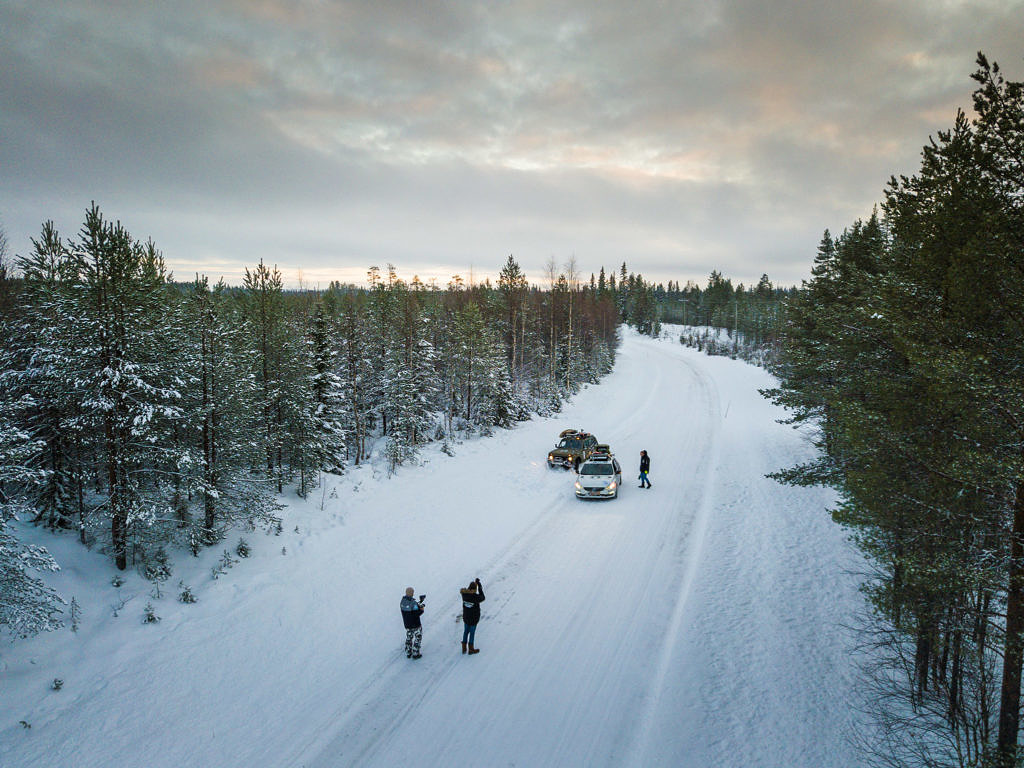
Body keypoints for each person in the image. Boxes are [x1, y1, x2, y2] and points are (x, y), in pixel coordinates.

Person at [460, 578, 485, 655]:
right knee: (472, 633)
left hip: (466, 617)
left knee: (466, 631)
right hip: (473, 619)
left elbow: (469, 591)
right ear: (475, 589)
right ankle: (471, 649)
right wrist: (479, 586)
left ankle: (464, 647)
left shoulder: (464, 595)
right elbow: (483, 597)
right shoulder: (475, 597)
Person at [400, 587, 425, 659]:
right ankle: (415, 653)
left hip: (407, 624)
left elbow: (409, 610)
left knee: (409, 637)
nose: (413, 594)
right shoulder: (413, 603)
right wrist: (422, 609)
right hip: (415, 624)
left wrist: (417, 605)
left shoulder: (402, 602)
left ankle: (408, 651)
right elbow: (416, 613)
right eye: (412, 592)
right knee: (418, 637)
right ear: (411, 593)